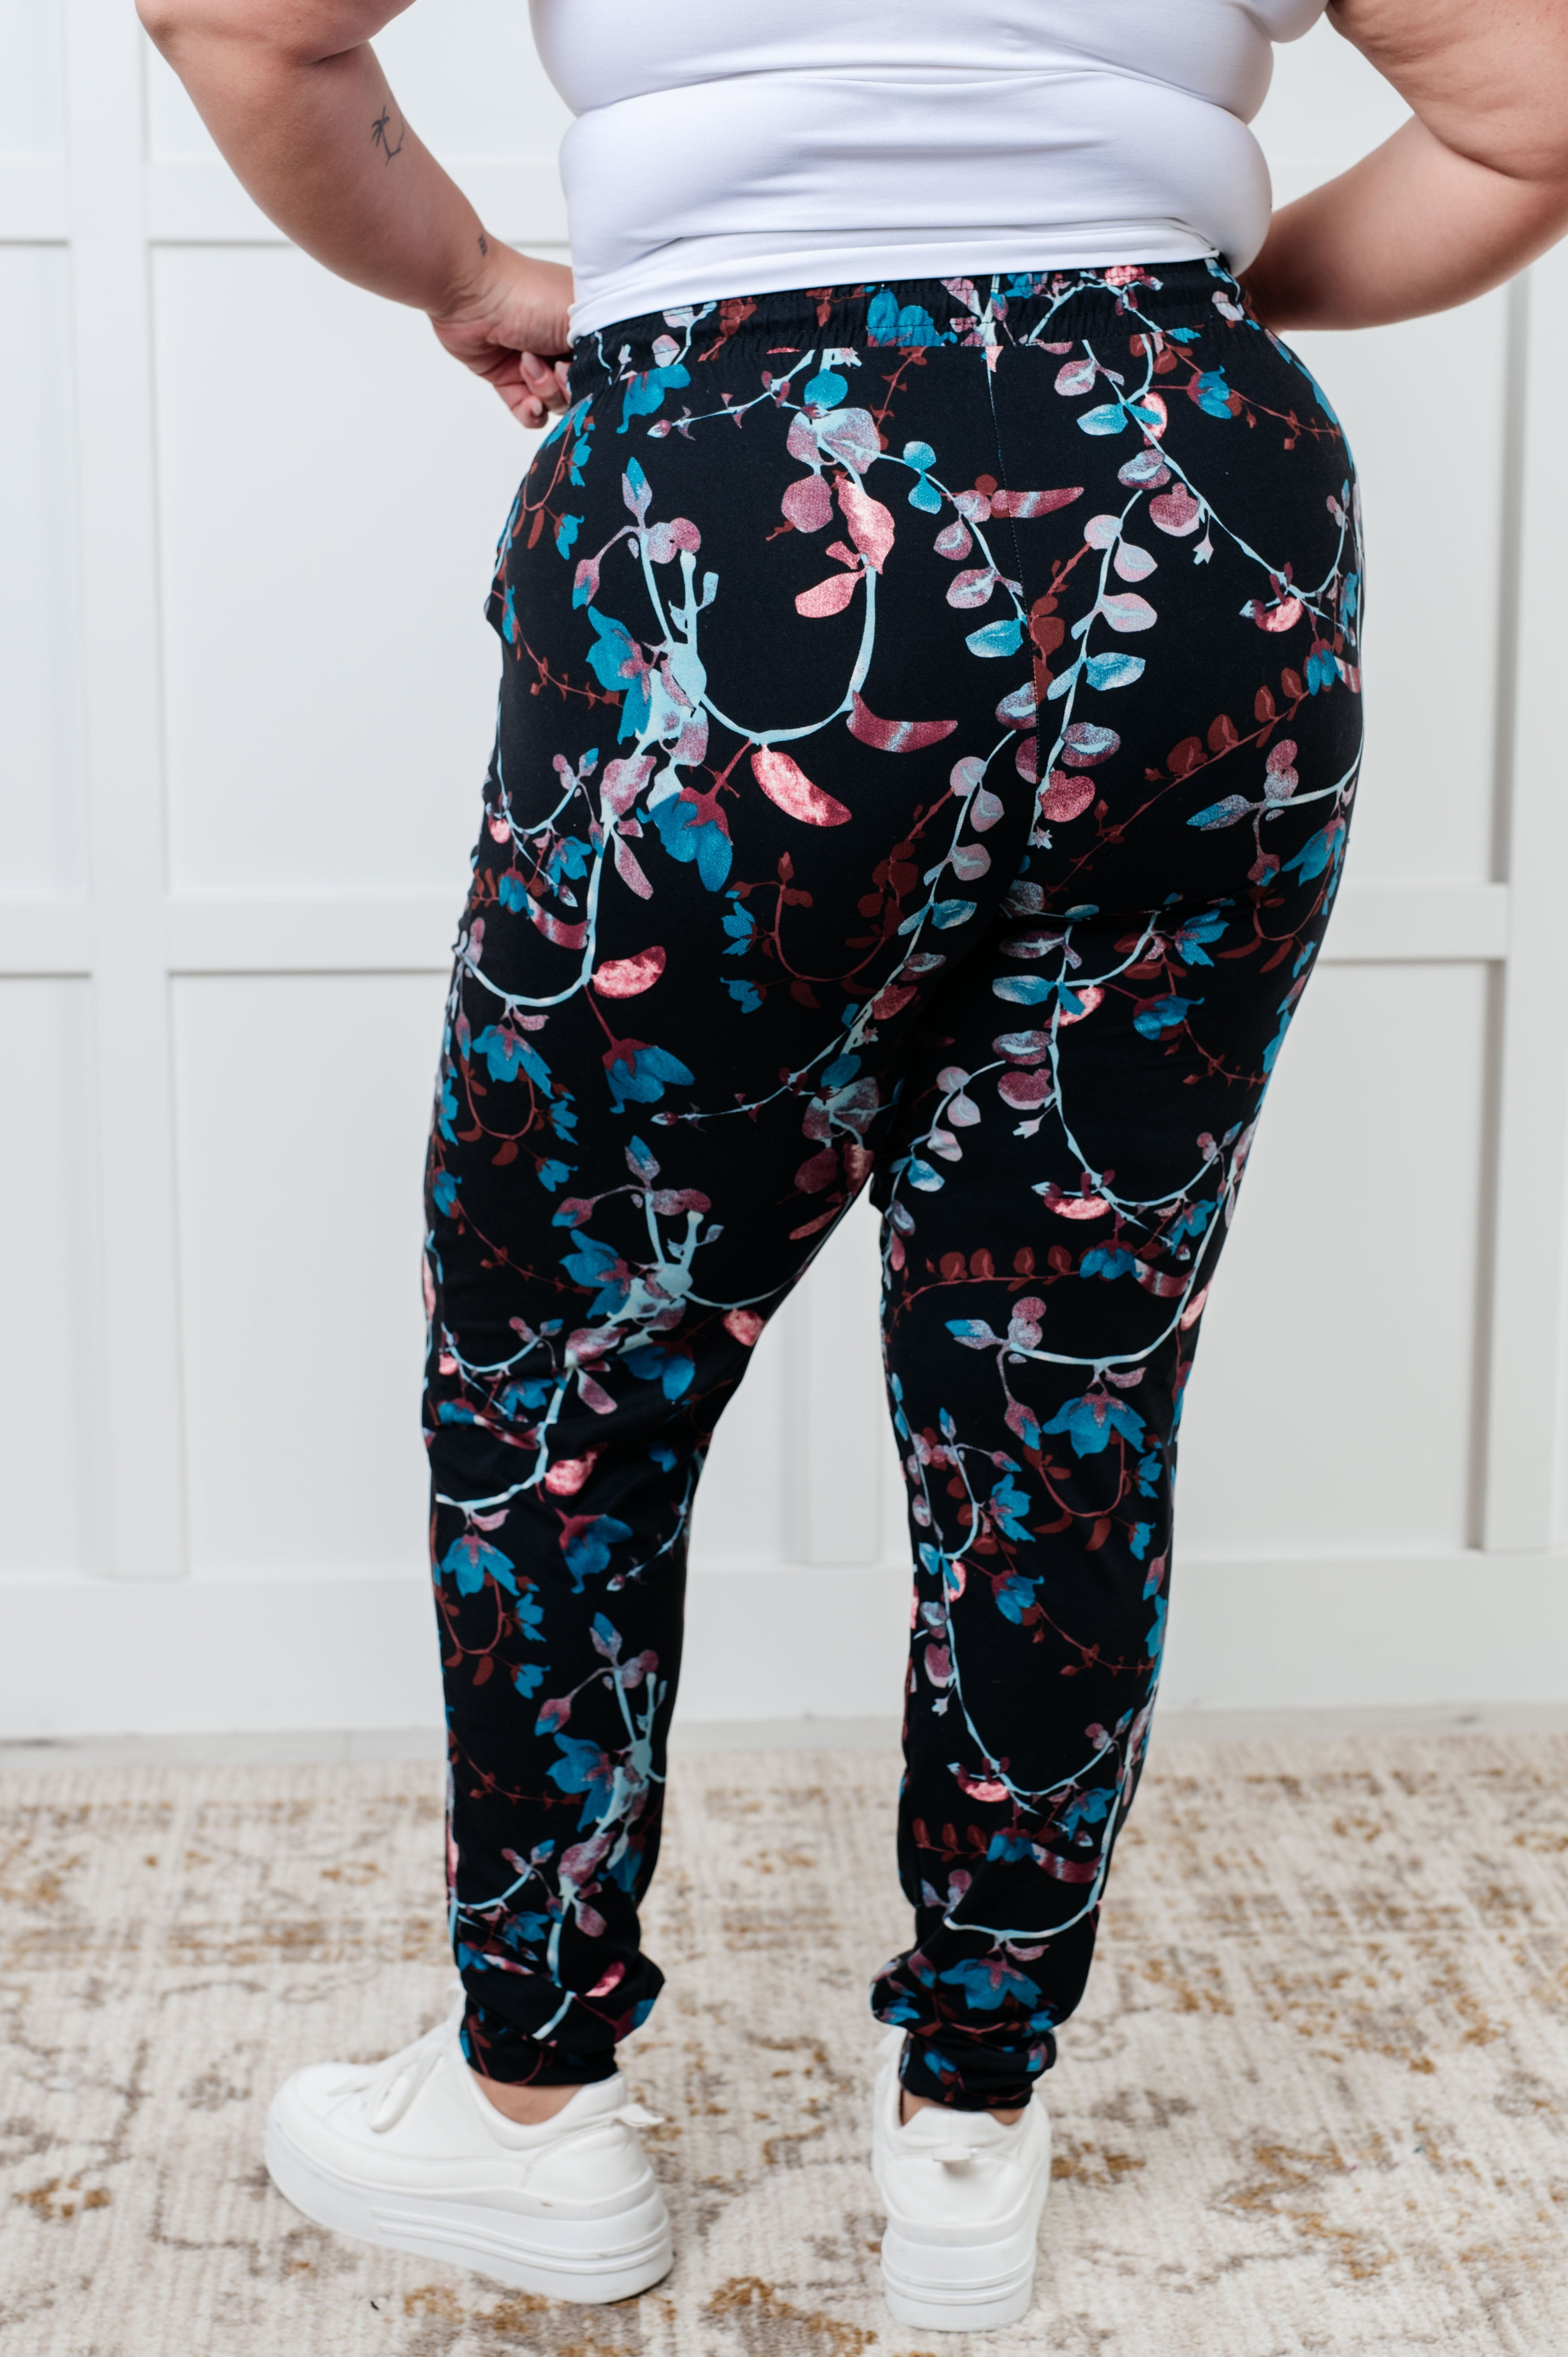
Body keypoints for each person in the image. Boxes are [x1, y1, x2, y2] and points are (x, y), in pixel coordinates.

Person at [138, 0, 1568, 2331]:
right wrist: (1190, 308)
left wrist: (470, 272)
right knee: (1063, 1363)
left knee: (571, 1351)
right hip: (1200, 517)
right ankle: (974, 2138)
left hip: (745, 474)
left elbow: (244, 23)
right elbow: (1533, 109)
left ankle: (532, 2111)